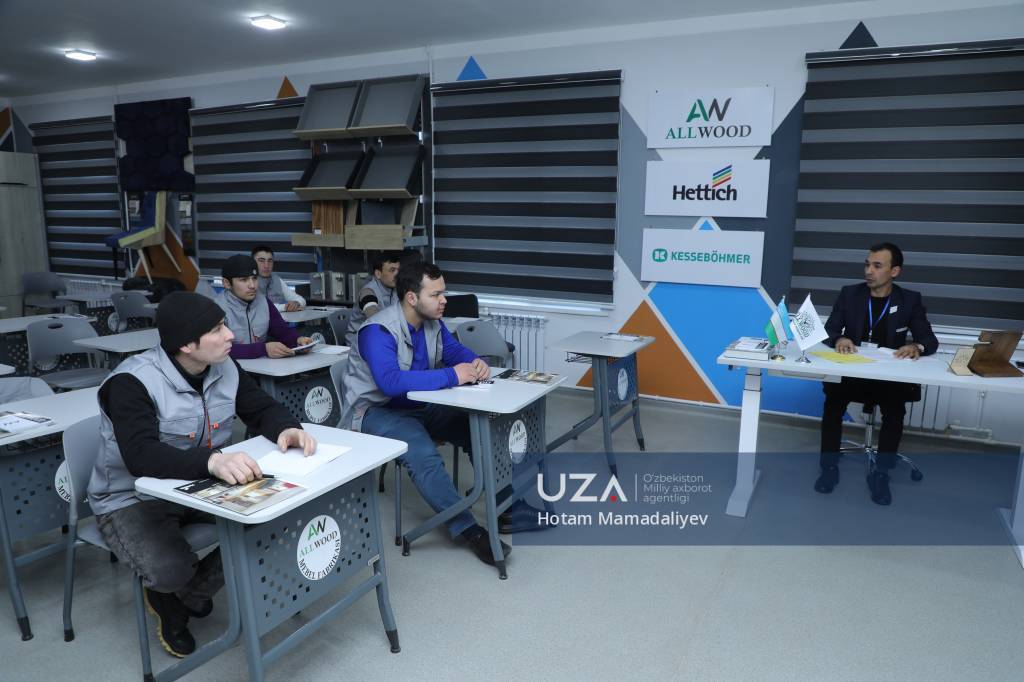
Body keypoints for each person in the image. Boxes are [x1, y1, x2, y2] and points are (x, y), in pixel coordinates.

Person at [87, 292, 318, 657]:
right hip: (130, 496)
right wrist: (212, 462)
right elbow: (140, 456)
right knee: (170, 569)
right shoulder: (132, 382)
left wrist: (286, 427)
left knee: (273, 521)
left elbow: (261, 408)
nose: (230, 335)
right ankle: (169, 591)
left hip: (200, 484)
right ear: (186, 344)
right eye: (217, 329)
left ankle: (185, 597)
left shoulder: (224, 366)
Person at [341, 261, 546, 567]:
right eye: (436, 294)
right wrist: (454, 375)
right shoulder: (377, 330)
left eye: (443, 293)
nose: (444, 300)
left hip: (418, 404)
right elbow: (390, 382)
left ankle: (507, 508)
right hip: (374, 411)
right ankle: (468, 529)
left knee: (478, 432)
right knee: (424, 454)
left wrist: (475, 362)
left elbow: (454, 352)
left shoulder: (432, 324)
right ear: (412, 298)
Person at [815, 242, 938, 505]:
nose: (868, 271)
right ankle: (829, 467)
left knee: (895, 412)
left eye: (877, 266)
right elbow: (830, 329)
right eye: (867, 264)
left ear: (894, 272)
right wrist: (840, 338)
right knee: (832, 404)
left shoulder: (909, 300)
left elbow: (929, 340)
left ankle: (881, 473)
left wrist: (916, 346)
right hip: (853, 374)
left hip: (889, 379)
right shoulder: (850, 294)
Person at [215, 254, 313, 359]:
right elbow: (218, 348)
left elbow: (282, 331)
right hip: (230, 368)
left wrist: (298, 340)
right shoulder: (215, 308)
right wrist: (263, 349)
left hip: (261, 366)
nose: (252, 285)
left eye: (254, 278)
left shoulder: (263, 302)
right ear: (227, 283)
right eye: (244, 280)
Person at [345, 250, 403, 347]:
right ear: (378, 274)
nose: (397, 274)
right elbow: (377, 322)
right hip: (359, 344)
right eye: (392, 270)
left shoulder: (396, 290)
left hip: (381, 339)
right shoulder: (368, 292)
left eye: (398, 270)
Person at [251, 244, 305, 311]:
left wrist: (297, 303)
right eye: (261, 261)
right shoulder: (248, 282)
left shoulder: (276, 279)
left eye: (270, 261)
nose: (266, 265)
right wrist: (286, 307)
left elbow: (301, 299)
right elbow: (259, 307)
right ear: (252, 262)